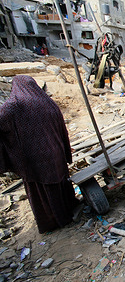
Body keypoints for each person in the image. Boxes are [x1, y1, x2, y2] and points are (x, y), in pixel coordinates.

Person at [0, 75, 79, 234]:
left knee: (43, 192)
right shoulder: (47, 102)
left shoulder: (14, 106)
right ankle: (68, 212)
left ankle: (52, 222)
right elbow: (61, 128)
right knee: (60, 186)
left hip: (34, 160)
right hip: (56, 153)